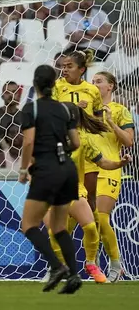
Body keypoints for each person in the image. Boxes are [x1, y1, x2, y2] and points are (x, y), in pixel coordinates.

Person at [42, 105, 131, 284]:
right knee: (54, 232)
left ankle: (91, 263)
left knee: (91, 226)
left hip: (74, 190)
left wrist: (119, 163)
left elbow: (103, 162)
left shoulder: (83, 141)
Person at [17, 64, 82, 294]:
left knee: (28, 225)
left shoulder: (31, 109)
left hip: (46, 169)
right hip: (67, 170)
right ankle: (74, 275)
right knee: (59, 227)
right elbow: (76, 143)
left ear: (35, 83)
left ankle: (56, 267)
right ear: (54, 84)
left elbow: (28, 142)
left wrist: (24, 170)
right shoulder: (66, 110)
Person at [92, 71, 135, 282]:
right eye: (92, 82)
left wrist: (111, 122)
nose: (95, 84)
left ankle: (116, 265)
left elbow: (128, 141)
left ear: (111, 86)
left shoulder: (121, 110)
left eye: (99, 81)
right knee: (86, 221)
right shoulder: (87, 110)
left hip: (109, 168)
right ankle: (92, 264)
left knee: (101, 217)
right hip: (86, 168)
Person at [52, 50, 103, 211]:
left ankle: (93, 234)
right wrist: (74, 108)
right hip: (67, 147)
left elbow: (98, 117)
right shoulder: (57, 87)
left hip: (88, 147)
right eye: (63, 66)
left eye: (69, 66)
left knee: (90, 197)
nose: (64, 70)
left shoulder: (92, 90)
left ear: (81, 70)